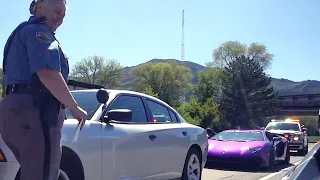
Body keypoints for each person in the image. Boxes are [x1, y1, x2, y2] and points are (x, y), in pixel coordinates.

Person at [0, 0, 87, 180]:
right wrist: (74, 107)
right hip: (35, 111)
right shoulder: (39, 33)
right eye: (56, 10)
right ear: (39, 7)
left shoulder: (21, 32)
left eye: (63, 14)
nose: (60, 16)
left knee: (32, 171)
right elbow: (47, 73)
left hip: (12, 111)